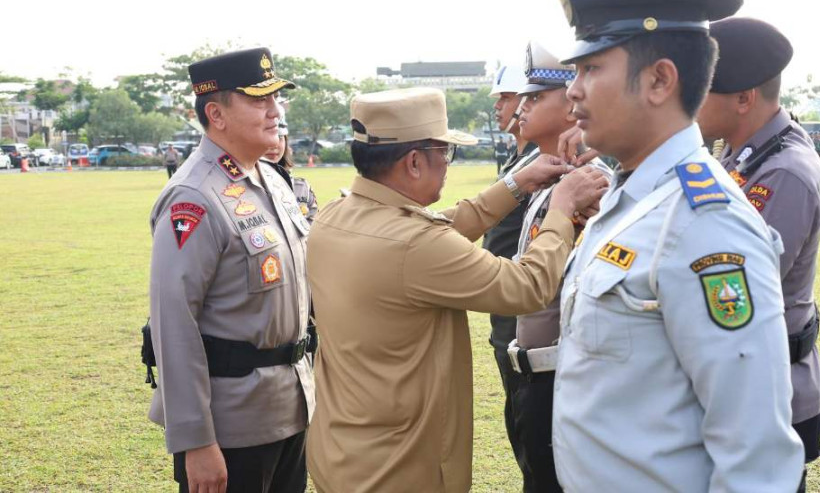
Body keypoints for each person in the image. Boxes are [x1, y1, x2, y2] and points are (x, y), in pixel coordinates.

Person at [550, 0, 805, 492]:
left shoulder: (704, 225)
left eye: (591, 68)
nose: (572, 92)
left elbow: (755, 457)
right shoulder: (635, 196)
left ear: (660, 80)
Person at [304, 87, 607, 493]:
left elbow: (435, 227)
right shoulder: (413, 245)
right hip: (401, 467)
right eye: (444, 154)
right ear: (413, 162)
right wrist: (561, 211)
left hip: (345, 449)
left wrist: (515, 185)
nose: (447, 165)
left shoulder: (336, 215)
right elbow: (526, 287)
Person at [147, 48, 315, 493]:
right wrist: (195, 441)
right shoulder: (194, 197)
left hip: (290, 407)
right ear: (216, 114)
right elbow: (173, 323)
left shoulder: (272, 180)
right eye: (260, 100)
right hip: (232, 427)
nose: (275, 111)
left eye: (276, 99)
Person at [697, 17, 820, 487]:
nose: (689, 99)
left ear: (744, 98)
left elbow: (737, 290)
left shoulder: (783, 171)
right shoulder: (740, 155)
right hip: (744, 386)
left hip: (770, 396)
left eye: (701, 87)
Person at [506, 41, 612, 492]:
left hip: (563, 377)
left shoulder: (589, 182)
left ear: (571, 105)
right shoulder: (550, 177)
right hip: (535, 373)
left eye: (535, 98)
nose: (520, 109)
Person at [482, 59, 539, 478]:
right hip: (505, 305)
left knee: (530, 426)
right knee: (518, 421)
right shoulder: (521, 160)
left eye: (510, 97)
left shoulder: (547, 161)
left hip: (529, 310)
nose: (502, 107)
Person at [264, 104, 320, 222]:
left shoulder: (301, 187)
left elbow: (314, 232)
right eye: (266, 136)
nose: (274, 144)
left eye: (279, 136)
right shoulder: (240, 189)